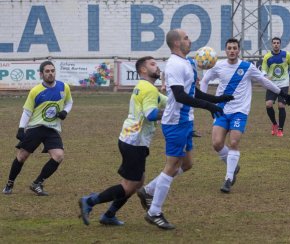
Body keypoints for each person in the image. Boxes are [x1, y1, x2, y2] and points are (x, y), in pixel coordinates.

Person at [139, 28, 233, 230]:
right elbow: (180, 95)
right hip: (175, 122)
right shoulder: (173, 64)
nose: (190, 41)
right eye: (186, 38)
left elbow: (193, 92)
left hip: (186, 122)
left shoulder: (186, 63)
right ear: (176, 43)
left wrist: (216, 99)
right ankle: (154, 211)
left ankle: (148, 190)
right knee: (172, 166)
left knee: (188, 163)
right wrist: (208, 107)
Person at [78, 56, 167, 226]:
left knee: (138, 182)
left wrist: (185, 100)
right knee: (129, 185)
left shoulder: (145, 87)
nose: (157, 67)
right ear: (143, 70)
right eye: (153, 64)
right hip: (134, 141)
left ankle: (109, 215)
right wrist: (170, 115)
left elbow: (167, 102)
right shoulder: (148, 89)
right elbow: (151, 114)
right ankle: (89, 201)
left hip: (130, 139)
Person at [199, 38, 290, 193]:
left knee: (234, 142)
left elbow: (264, 81)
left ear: (238, 50)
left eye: (234, 48)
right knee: (217, 144)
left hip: (239, 111)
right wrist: (206, 100)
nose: (232, 51)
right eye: (229, 48)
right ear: (225, 50)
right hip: (221, 110)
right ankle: (233, 166)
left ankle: (228, 179)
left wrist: (281, 93)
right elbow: (205, 80)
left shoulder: (247, 67)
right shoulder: (218, 66)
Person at [2, 60, 73, 196]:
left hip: (52, 129)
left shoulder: (64, 87)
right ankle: (9, 183)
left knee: (58, 156)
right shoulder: (36, 91)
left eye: (52, 71)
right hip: (36, 127)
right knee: (22, 157)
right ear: (41, 74)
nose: (50, 73)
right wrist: (21, 128)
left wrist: (65, 111)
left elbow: (69, 102)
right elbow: (27, 111)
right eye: (47, 71)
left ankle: (37, 183)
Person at [262, 37, 290, 137]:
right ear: (272, 45)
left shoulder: (286, 55)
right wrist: (265, 76)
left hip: (283, 84)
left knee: (281, 106)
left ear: (280, 44)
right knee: (268, 105)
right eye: (274, 43)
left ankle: (280, 129)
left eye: (277, 43)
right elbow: (263, 70)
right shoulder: (267, 57)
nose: (276, 44)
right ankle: (275, 124)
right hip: (272, 85)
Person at [161, 70, 202, 138]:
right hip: (175, 93)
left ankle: (189, 131)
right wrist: (163, 85)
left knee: (188, 110)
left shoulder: (186, 64)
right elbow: (163, 73)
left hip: (184, 92)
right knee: (176, 109)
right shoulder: (173, 65)